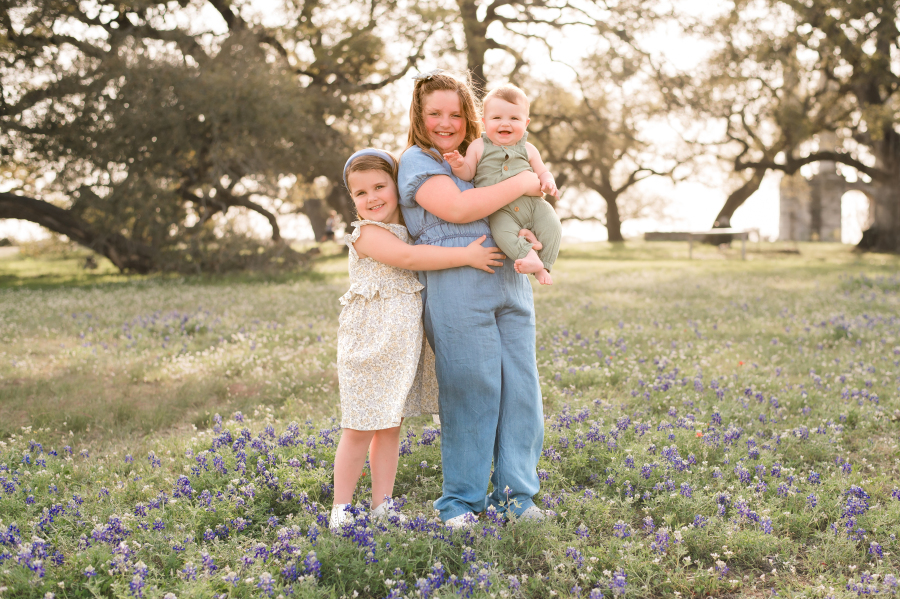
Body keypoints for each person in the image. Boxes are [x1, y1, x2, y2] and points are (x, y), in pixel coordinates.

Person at [397, 70, 549, 528]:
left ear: (470, 117)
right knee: (473, 389)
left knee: (522, 391)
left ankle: (517, 494)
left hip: (509, 279)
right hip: (457, 287)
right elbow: (460, 209)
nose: (446, 122)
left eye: (456, 113)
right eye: (435, 113)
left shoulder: (485, 157)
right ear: (419, 117)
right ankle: (460, 501)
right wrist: (524, 183)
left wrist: (528, 230)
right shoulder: (417, 162)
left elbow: (512, 209)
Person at [330, 148, 505, 529]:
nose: (372, 197)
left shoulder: (407, 230)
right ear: (352, 201)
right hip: (371, 344)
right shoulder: (367, 234)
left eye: (380, 186)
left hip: (400, 345)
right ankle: (341, 510)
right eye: (361, 193)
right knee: (360, 425)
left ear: (397, 186)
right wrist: (466, 256)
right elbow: (409, 259)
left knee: (390, 425)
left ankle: (382, 506)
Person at [443, 83, 562, 285]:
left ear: (526, 123)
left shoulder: (529, 149)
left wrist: (548, 182)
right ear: (484, 122)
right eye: (496, 118)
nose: (505, 123)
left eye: (514, 118)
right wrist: (459, 165)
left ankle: (544, 264)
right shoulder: (478, 146)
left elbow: (542, 171)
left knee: (553, 225)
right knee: (502, 234)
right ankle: (529, 258)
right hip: (500, 209)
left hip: (533, 205)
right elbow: (468, 173)